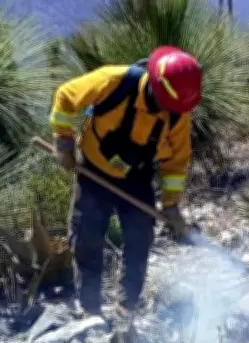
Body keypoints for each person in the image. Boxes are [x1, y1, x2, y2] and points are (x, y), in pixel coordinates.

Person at [48, 45, 202, 326]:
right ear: (156, 85)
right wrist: (64, 142)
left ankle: (126, 307)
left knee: (139, 240)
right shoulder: (113, 81)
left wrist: (171, 205)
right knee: (87, 237)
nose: (170, 110)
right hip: (93, 170)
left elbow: (176, 163)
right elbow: (65, 97)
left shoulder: (178, 114)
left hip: (136, 179)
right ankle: (90, 309)